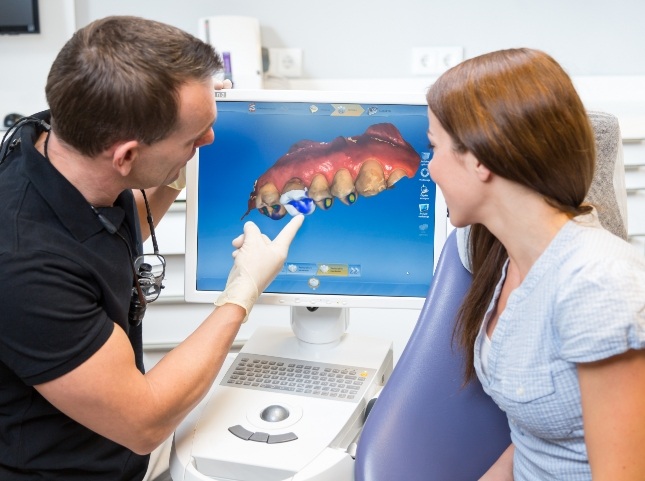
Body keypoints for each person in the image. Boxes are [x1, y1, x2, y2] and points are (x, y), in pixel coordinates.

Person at [0, 16, 303, 480]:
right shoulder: (25, 264)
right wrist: (241, 293)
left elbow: (106, 228)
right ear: (124, 156)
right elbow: (144, 422)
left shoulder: (57, 141)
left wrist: (183, 138)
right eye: (194, 138)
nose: (209, 141)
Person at [426, 48, 645, 480]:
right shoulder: (498, 257)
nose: (430, 169)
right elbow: (533, 439)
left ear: (480, 159)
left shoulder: (599, 284)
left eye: (435, 148)